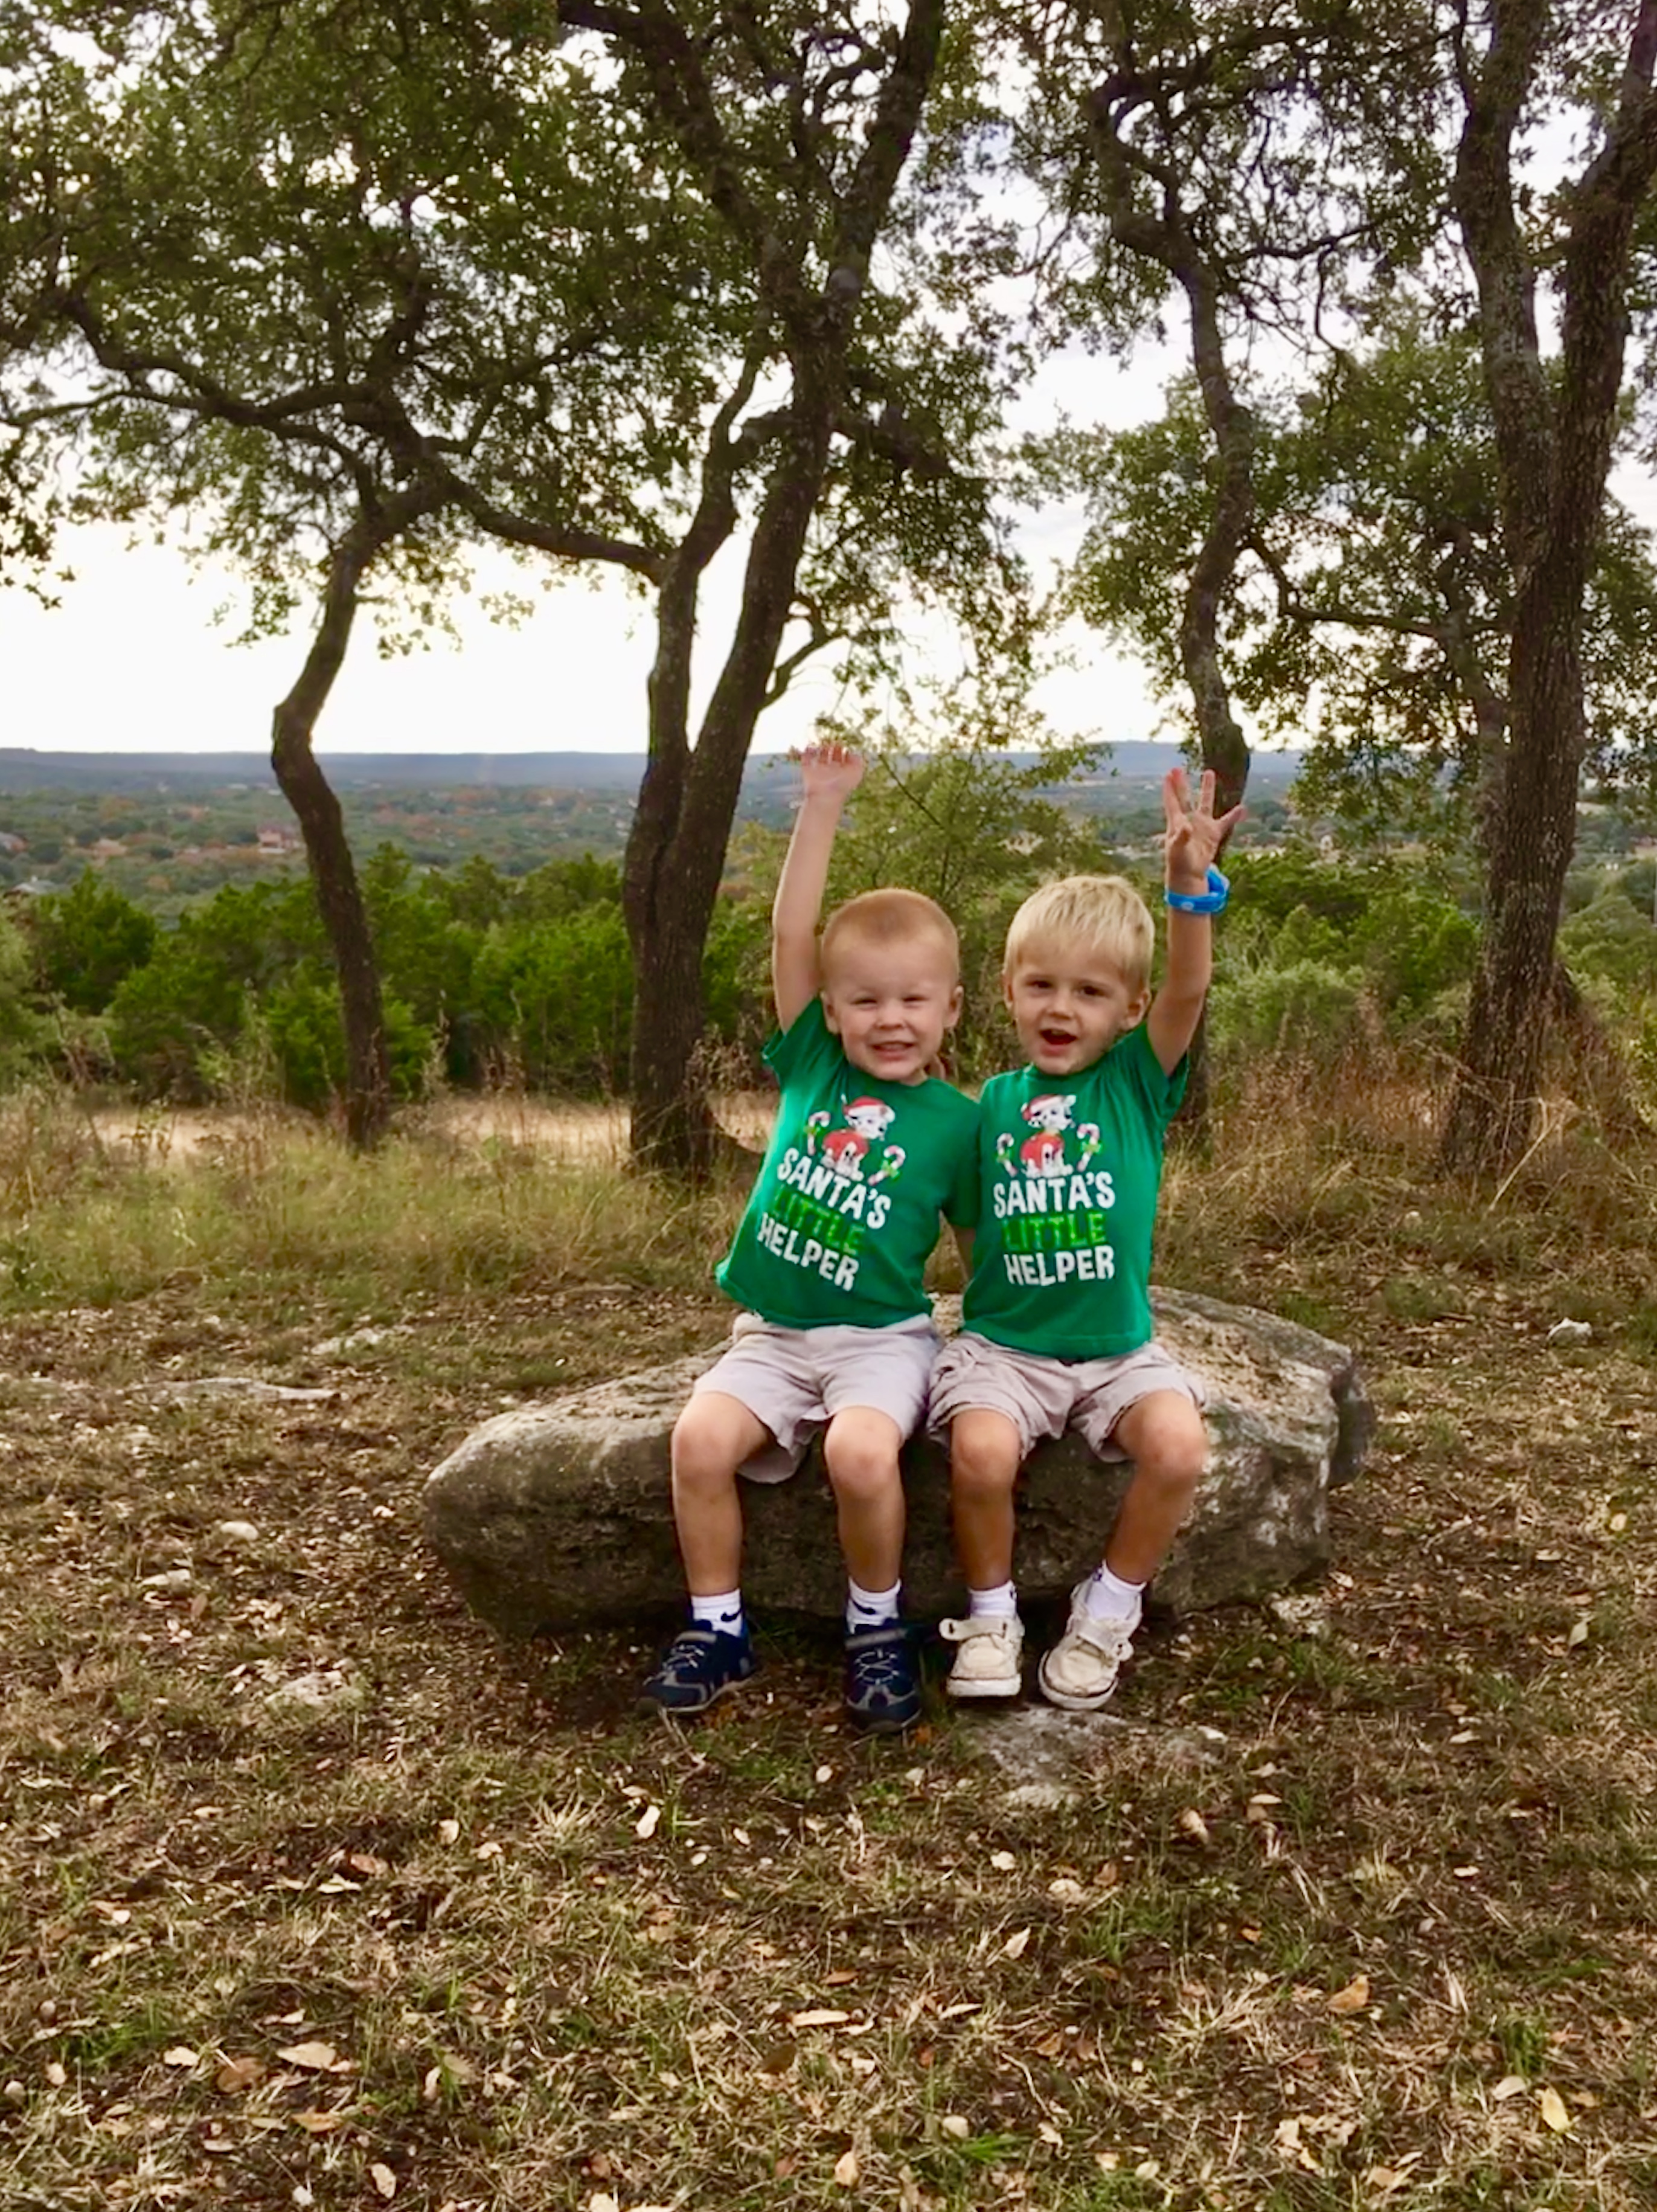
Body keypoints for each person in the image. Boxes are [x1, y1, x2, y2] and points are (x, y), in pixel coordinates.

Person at [639, 740, 979, 1732]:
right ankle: (719, 1627)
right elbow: (794, 931)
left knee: (863, 1456)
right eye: (865, 999)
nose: (890, 1019)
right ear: (830, 1009)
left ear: (952, 1007)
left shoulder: (961, 1125)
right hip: (774, 1334)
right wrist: (821, 803)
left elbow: (980, 1251)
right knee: (698, 1440)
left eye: (913, 1000)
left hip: (883, 1340)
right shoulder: (813, 1068)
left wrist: (1009, 1347)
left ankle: (876, 1626)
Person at [929, 765, 1242, 1709]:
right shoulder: (991, 1106)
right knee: (981, 1454)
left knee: (1179, 1447)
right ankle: (992, 1616)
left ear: (1131, 1010)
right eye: (1041, 985)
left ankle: (1107, 1608)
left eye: (1091, 992)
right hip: (1007, 1348)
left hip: (1117, 1351)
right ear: (1008, 990)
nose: (1061, 1008)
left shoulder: (1136, 1084)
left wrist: (1188, 887)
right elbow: (972, 1229)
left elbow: (1190, 985)